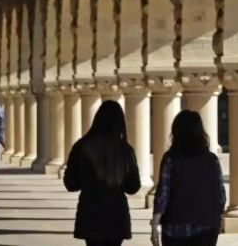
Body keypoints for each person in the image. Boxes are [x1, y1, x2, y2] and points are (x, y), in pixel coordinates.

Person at [64, 101, 140, 246]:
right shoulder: (125, 150)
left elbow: (71, 184)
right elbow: (133, 187)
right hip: (116, 216)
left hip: (90, 215)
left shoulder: (81, 146)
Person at [150, 110, 226, 246]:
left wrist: (155, 225)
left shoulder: (170, 159)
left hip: (176, 226)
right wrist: (217, 218)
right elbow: (220, 195)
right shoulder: (212, 160)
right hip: (206, 226)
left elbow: (163, 194)